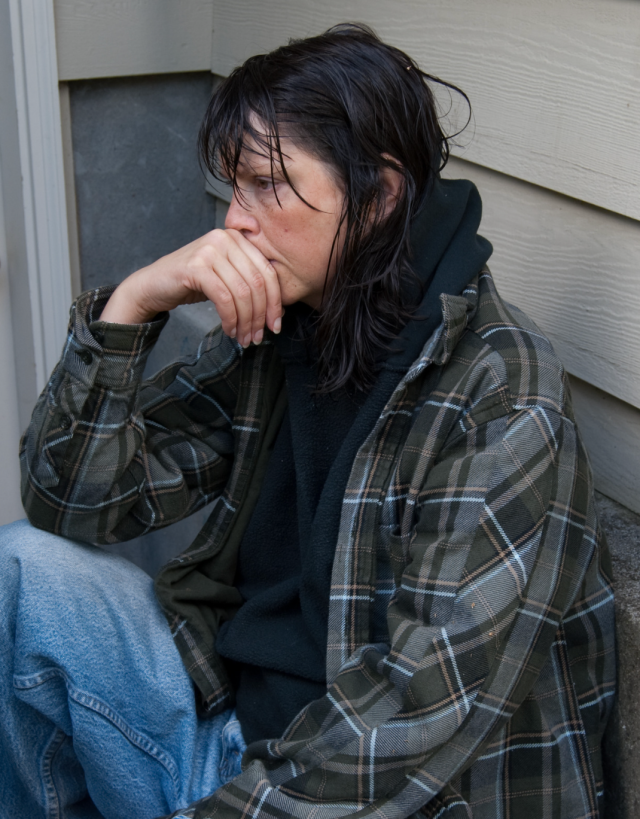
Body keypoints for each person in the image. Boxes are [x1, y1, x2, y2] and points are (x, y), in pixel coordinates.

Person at [1, 23, 614, 819]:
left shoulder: (498, 394)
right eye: (233, 186)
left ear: (380, 196)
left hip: (368, 795)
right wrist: (133, 305)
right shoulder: (288, 323)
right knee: (24, 566)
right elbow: (77, 502)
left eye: (267, 185)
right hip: (235, 734)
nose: (234, 222)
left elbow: (413, 717)